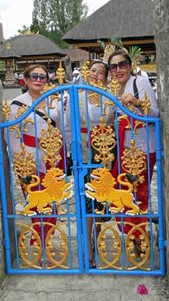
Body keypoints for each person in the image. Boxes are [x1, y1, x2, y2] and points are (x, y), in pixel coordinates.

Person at [5, 64, 67, 265]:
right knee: (35, 203)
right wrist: (21, 162)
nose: (39, 80)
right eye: (34, 76)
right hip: (28, 158)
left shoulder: (54, 100)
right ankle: (39, 244)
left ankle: (47, 241)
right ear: (25, 79)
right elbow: (12, 136)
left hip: (52, 158)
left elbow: (64, 128)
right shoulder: (16, 103)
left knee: (52, 203)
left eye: (43, 76)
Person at [107, 49, 159, 255]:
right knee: (124, 193)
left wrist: (136, 103)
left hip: (144, 148)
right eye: (113, 66)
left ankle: (139, 238)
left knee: (140, 194)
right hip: (125, 149)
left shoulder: (140, 83)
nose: (118, 69)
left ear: (129, 66)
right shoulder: (114, 89)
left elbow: (156, 113)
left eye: (122, 65)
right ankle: (133, 235)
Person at [78, 60, 114, 267]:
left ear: (106, 77)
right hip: (83, 153)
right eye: (93, 70)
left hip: (104, 153)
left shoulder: (110, 97)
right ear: (86, 72)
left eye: (101, 72)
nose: (96, 75)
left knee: (100, 199)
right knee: (86, 199)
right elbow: (67, 127)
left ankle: (98, 235)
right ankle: (88, 246)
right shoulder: (77, 96)